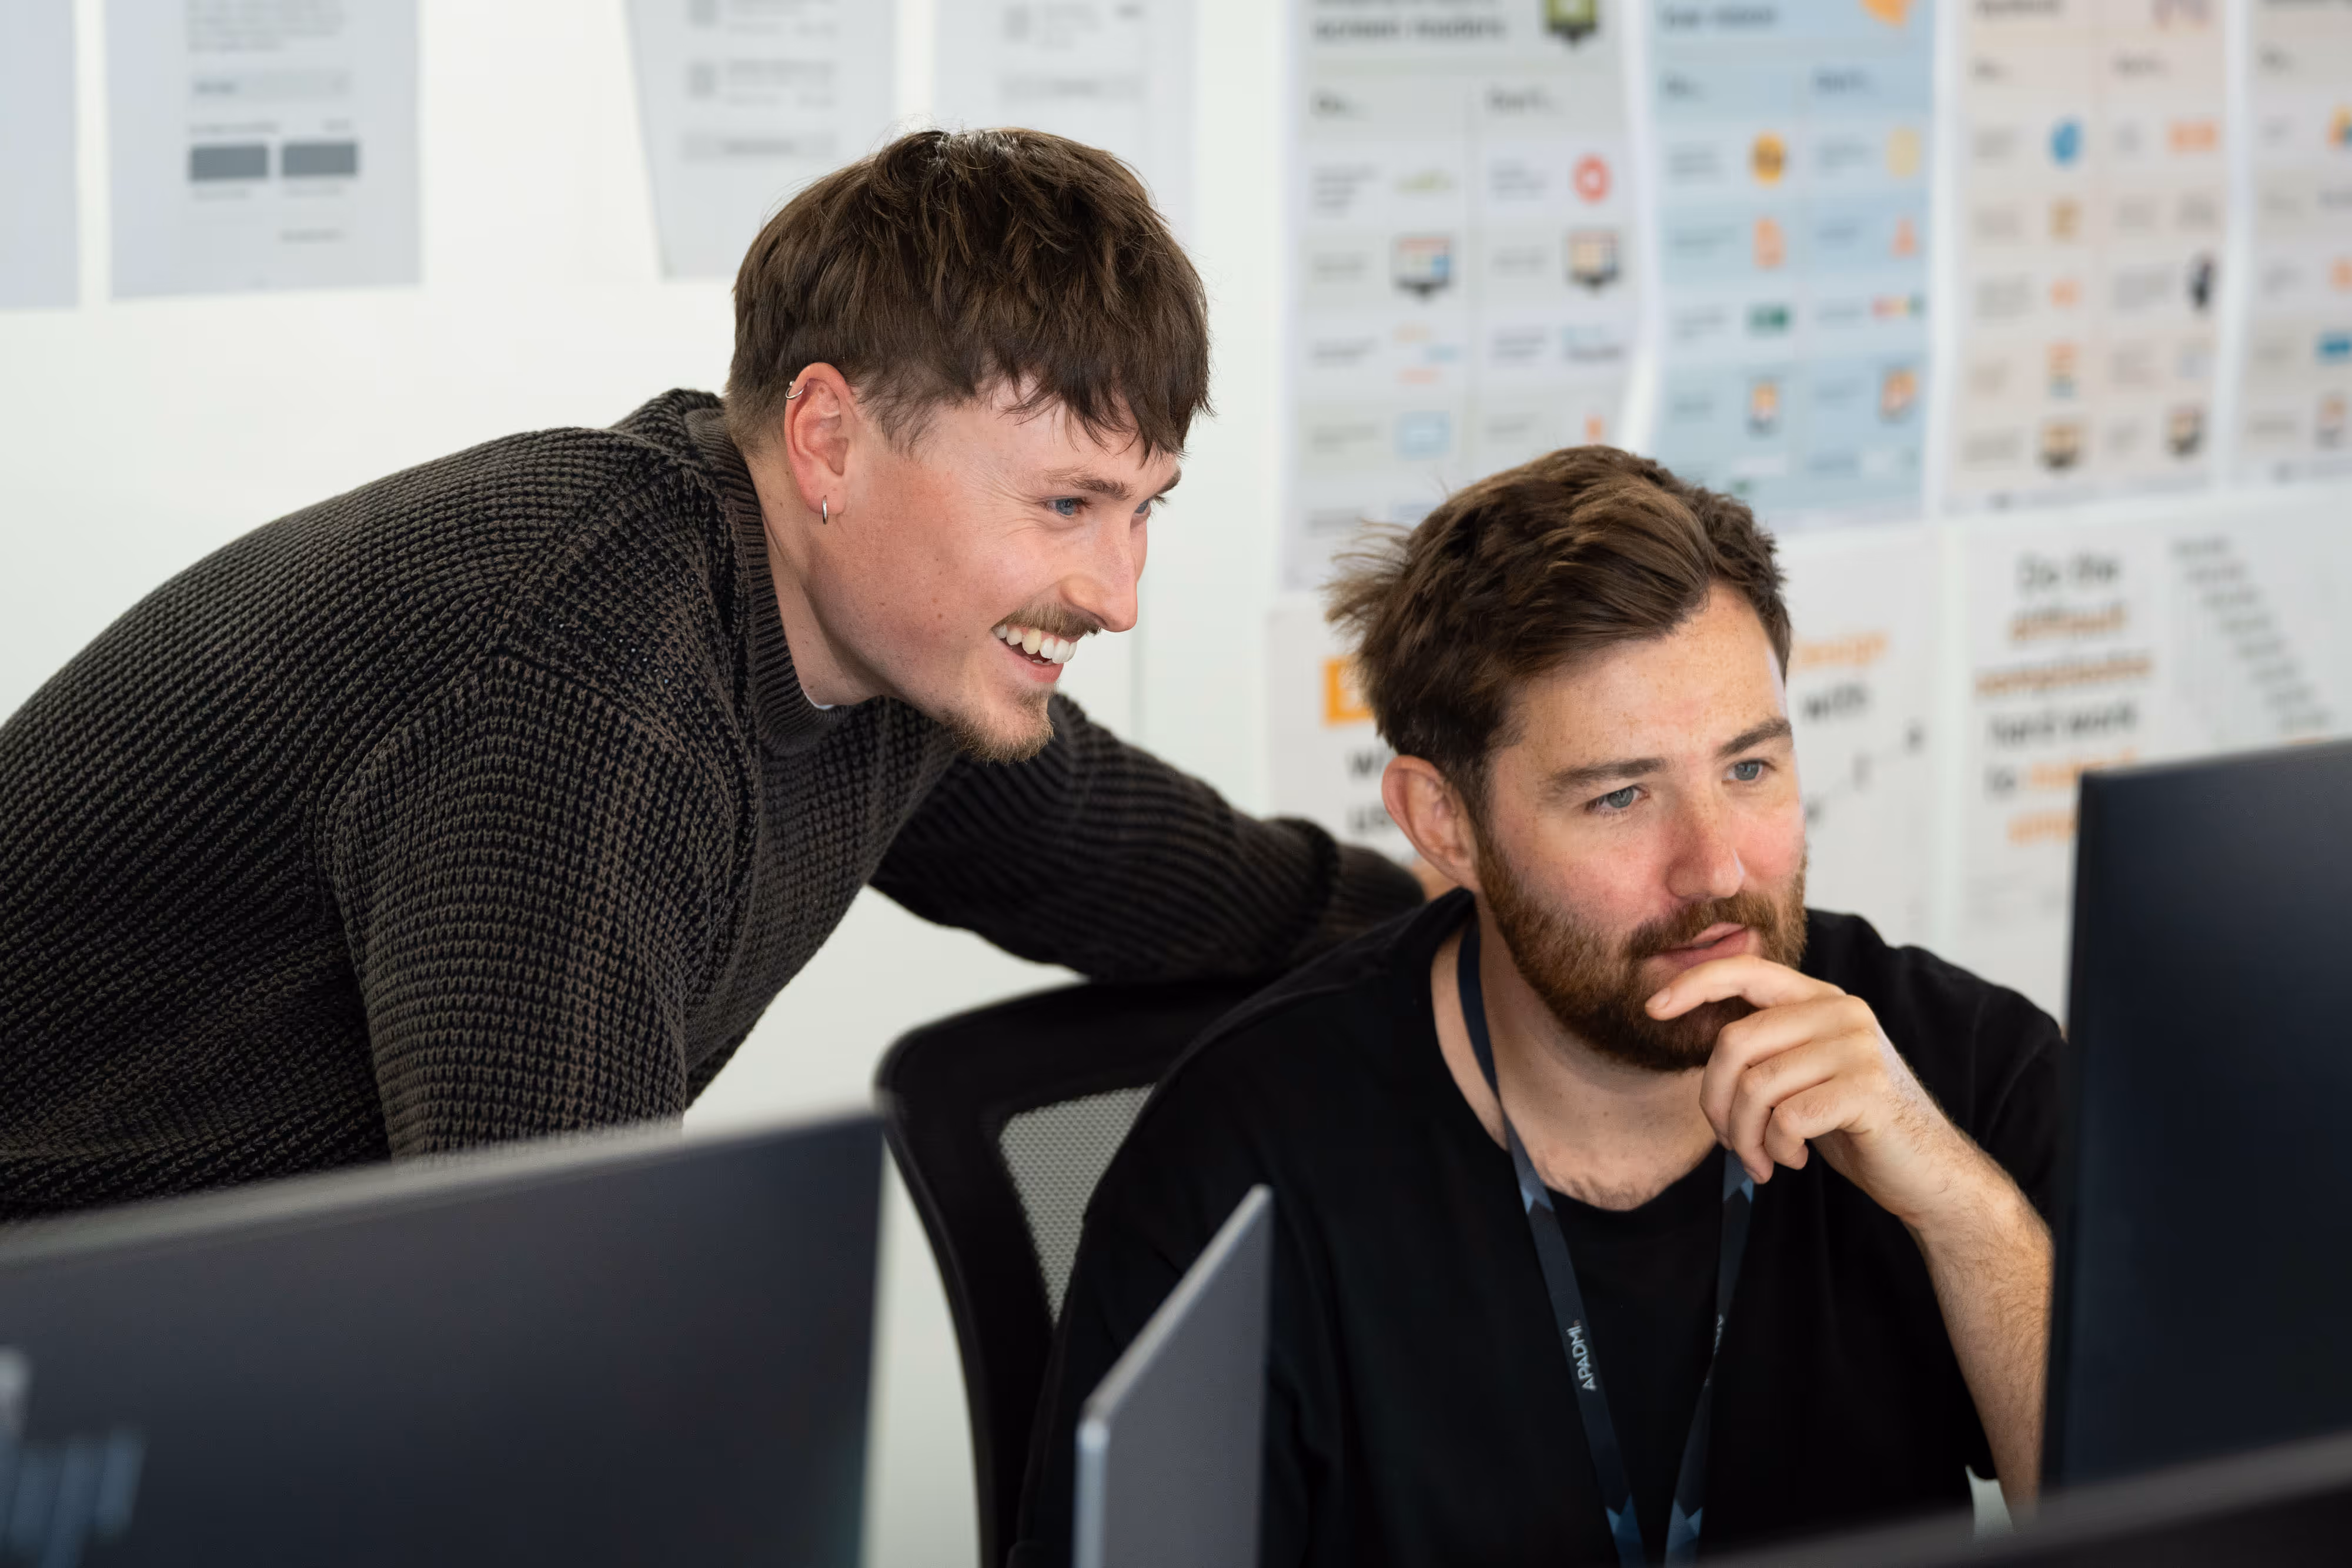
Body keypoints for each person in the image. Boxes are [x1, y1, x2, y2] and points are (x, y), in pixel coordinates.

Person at [0, 129, 1422, 1219]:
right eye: (1063, 504)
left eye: (1143, 508)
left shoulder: (873, 658)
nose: (1116, 594)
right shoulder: (584, 671)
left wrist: (1462, 916)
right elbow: (557, 1297)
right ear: (828, 441)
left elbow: (1165, 876)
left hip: (197, 1343)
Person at [1018, 448, 2057, 1566]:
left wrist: (1973, 1222)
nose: (1714, 867)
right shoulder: (1241, 1160)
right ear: (1444, 824)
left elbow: (2199, 1525)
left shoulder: (1960, 1069)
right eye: (1620, 795)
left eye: (1749, 771)